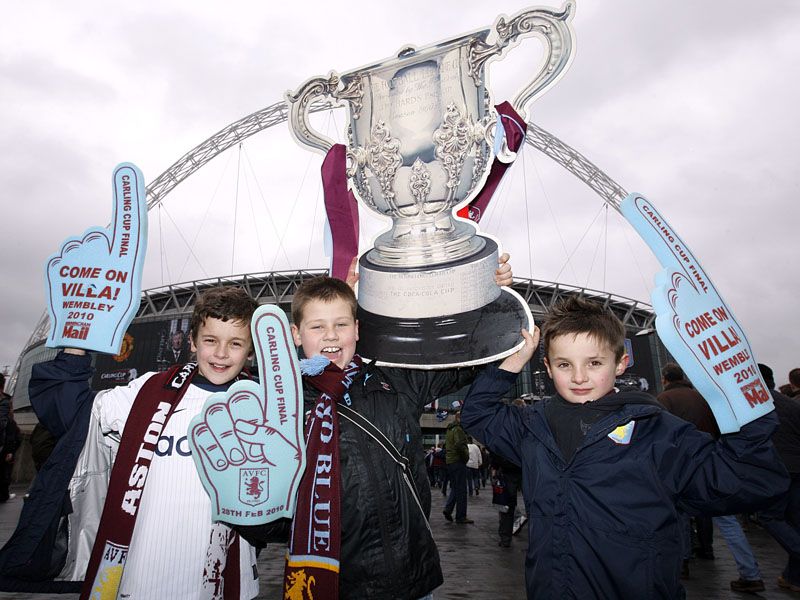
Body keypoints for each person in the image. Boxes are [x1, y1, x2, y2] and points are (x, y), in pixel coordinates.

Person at [461, 295, 789, 598]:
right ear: (546, 368)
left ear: (620, 363)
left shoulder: (659, 433)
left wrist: (749, 412)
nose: (579, 377)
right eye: (564, 365)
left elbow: (745, 481)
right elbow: (477, 414)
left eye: (594, 363)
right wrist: (513, 362)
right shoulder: (532, 426)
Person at [0, 286, 284, 598]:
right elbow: (72, 411)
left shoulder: (266, 406)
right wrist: (76, 344)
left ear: (250, 350)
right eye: (210, 340)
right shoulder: (147, 390)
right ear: (192, 342)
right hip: (139, 578)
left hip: (228, 581)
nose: (221, 353)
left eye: (235, 344)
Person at [283, 275, 483, 599]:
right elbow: (276, 517)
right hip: (339, 585)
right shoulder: (285, 406)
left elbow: (469, 359)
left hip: (412, 579)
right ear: (297, 334)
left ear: (358, 330)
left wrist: (487, 292)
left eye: (341, 324)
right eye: (317, 326)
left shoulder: (396, 380)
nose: (331, 335)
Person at [658, 362, 765, 592]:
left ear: (665, 379)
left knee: (679, 517)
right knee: (727, 520)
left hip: (680, 469)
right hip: (710, 464)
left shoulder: (664, 401)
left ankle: (682, 563)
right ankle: (750, 572)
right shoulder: (703, 397)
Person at [757, 363, 800, 592]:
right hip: (796, 469)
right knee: (794, 522)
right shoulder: (791, 404)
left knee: (769, 517)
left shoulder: (756, 404)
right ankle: (793, 578)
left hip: (775, 469)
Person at [443, 411, 472, 524]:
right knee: (462, 490)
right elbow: (460, 445)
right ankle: (461, 516)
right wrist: (466, 458)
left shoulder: (450, 429)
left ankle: (448, 509)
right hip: (458, 461)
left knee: (455, 488)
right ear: (460, 418)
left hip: (450, 462)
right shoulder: (458, 429)